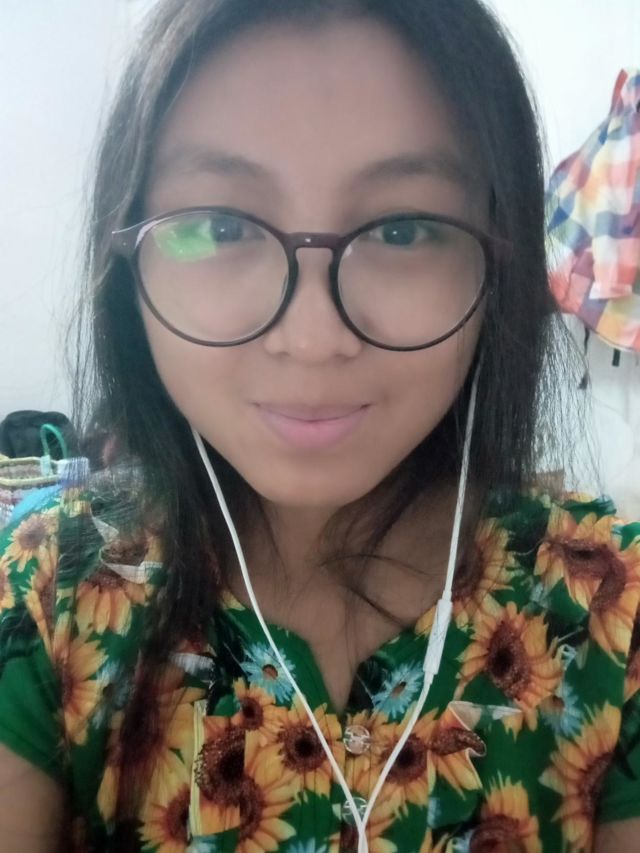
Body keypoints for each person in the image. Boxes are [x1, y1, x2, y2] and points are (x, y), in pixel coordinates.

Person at [1, 0, 639, 850]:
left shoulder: (614, 608)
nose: (312, 340)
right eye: (221, 225)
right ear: (127, 258)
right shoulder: (47, 591)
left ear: (500, 258)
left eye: (404, 229)